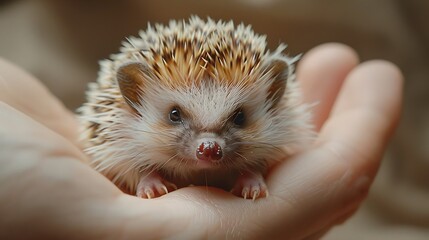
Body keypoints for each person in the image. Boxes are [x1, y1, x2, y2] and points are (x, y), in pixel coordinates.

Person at [0, 43, 402, 239]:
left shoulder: (274, 131)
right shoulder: (122, 134)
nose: (209, 144)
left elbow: (276, 154)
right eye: (176, 117)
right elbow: (110, 157)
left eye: (238, 119)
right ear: (135, 98)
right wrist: (143, 177)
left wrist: (254, 173)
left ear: (273, 97)